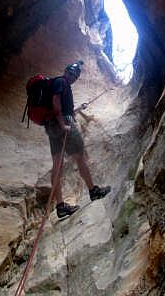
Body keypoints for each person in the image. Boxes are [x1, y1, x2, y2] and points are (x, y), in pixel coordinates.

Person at [45, 60, 111, 219]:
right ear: (66, 71)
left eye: (76, 76)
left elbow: (63, 109)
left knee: (57, 164)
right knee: (80, 156)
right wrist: (64, 124)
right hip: (63, 125)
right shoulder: (61, 82)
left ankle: (60, 206)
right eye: (73, 74)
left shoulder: (59, 84)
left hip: (51, 127)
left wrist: (78, 109)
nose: (74, 77)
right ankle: (93, 191)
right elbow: (56, 103)